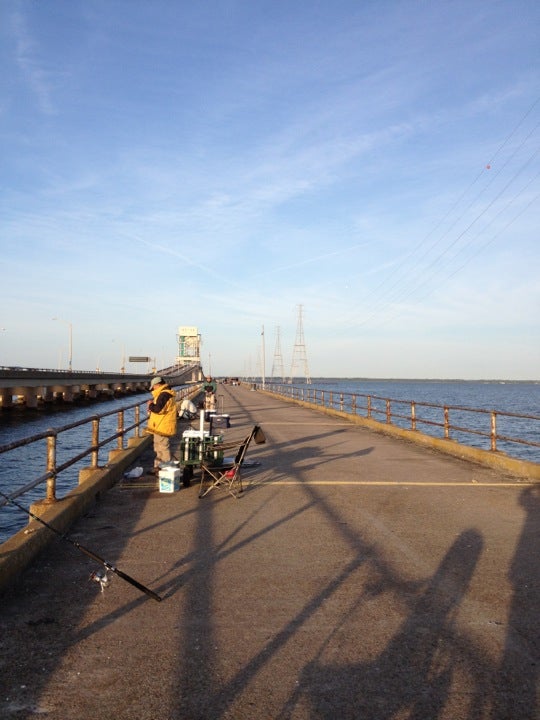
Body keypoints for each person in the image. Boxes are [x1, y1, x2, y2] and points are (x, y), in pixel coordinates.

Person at [147, 376, 177, 471]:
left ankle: (167, 469)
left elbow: (158, 409)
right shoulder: (164, 394)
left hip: (163, 426)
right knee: (158, 447)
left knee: (163, 448)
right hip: (159, 425)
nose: (153, 389)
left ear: (158, 385)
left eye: (153, 387)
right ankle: (158, 468)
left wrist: (150, 405)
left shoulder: (164, 395)